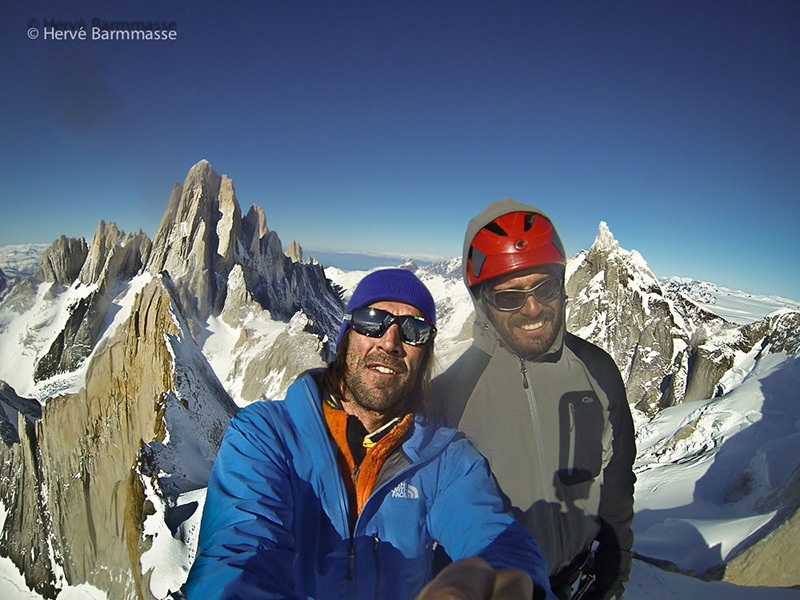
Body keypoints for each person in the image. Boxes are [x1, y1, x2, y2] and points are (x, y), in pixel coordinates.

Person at [186, 268, 554, 600]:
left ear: (425, 354)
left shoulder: (447, 460)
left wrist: (514, 580)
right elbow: (237, 555)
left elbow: (494, 535)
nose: (390, 341)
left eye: (414, 330)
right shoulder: (264, 436)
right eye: (372, 321)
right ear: (346, 336)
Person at [433, 200, 636, 600]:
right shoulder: (449, 398)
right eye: (509, 296)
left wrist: (614, 563)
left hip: (581, 579)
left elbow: (615, 479)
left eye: (545, 287)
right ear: (483, 302)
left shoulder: (598, 371)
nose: (532, 308)